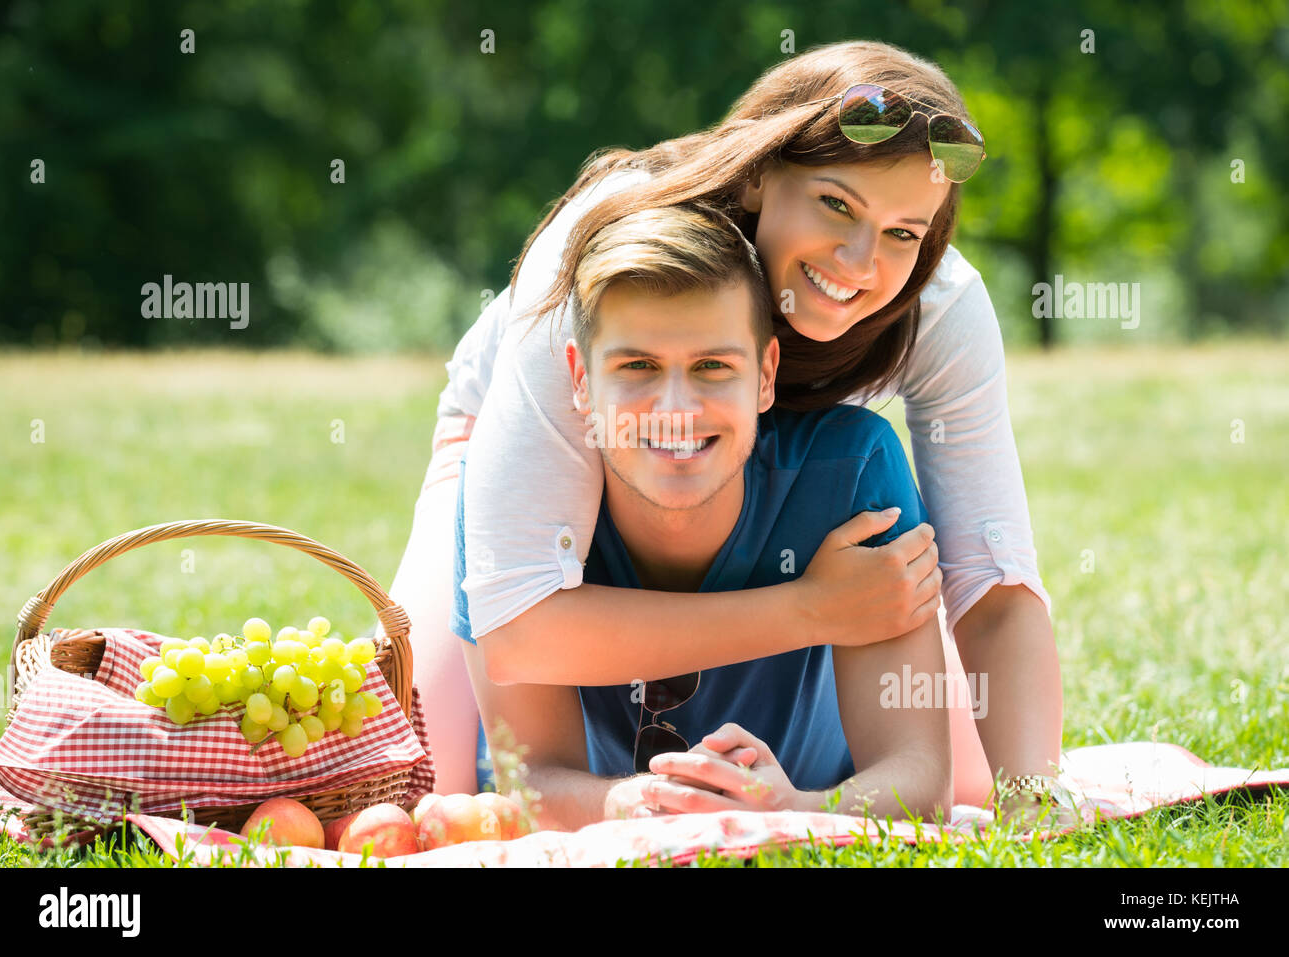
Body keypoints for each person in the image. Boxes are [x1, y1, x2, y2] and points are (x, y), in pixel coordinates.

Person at [383, 40, 1061, 815]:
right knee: (417, 774)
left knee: (965, 771)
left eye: (904, 231)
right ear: (759, 173)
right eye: (835, 204)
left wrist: (1035, 792)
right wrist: (811, 608)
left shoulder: (937, 304)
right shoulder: (593, 249)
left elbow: (991, 574)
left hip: (759, 470)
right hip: (562, 437)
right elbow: (522, 629)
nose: (858, 259)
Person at [451, 204, 952, 828]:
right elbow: (531, 782)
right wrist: (638, 803)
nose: (675, 408)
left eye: (713, 366)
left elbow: (921, 781)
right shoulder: (511, 499)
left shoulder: (850, 469)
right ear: (580, 380)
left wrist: (796, 809)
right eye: (637, 367)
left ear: (766, 375)